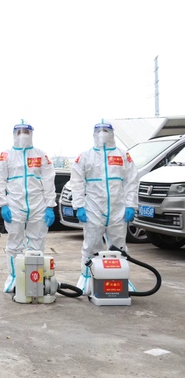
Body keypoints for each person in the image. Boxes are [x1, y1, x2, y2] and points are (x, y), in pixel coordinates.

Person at [71, 121, 138, 295]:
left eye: (106, 130)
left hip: (118, 208)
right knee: (91, 245)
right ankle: (87, 280)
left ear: (112, 133)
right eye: (99, 131)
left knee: (119, 246)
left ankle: (121, 280)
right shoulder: (85, 156)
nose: (103, 133)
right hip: (93, 207)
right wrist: (79, 206)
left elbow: (132, 181)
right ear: (94, 134)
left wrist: (131, 204)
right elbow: (77, 182)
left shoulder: (123, 155)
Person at [0, 121, 56, 293]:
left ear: (32, 134)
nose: (23, 135)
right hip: (15, 204)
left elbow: (49, 181)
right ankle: (14, 278)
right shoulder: (5, 156)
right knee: (14, 243)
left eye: (26, 131)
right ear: (14, 134)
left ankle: (34, 278)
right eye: (19, 132)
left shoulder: (41, 155)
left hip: (38, 204)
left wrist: (50, 206)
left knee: (37, 243)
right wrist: (3, 203)